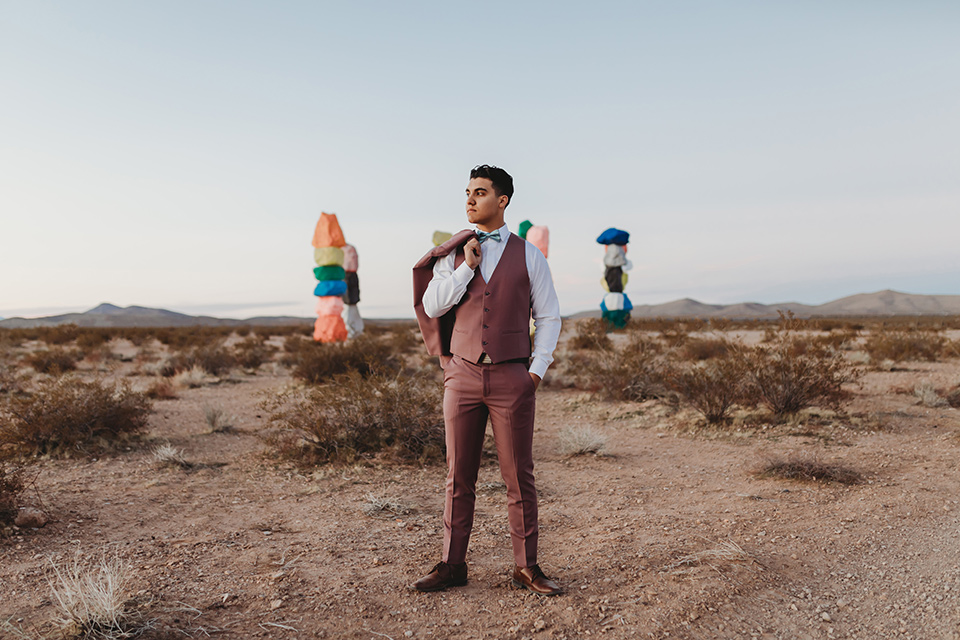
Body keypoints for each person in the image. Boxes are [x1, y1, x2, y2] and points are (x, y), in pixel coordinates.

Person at [411, 165, 563, 596]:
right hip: (461, 375)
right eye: (467, 192)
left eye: (480, 192)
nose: (470, 200)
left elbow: (548, 315)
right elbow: (434, 305)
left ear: (504, 201)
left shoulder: (530, 255)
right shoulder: (453, 253)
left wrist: (536, 370)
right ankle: (452, 564)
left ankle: (526, 566)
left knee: (519, 476)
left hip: (513, 376)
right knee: (458, 474)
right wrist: (465, 269)